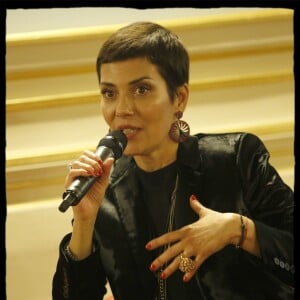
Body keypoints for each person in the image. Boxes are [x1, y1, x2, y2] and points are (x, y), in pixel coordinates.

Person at [52, 21, 294, 300]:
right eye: (109, 93)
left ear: (179, 98)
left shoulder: (236, 158)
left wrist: (239, 230)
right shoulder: (104, 193)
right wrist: (84, 222)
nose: (121, 109)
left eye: (141, 89)